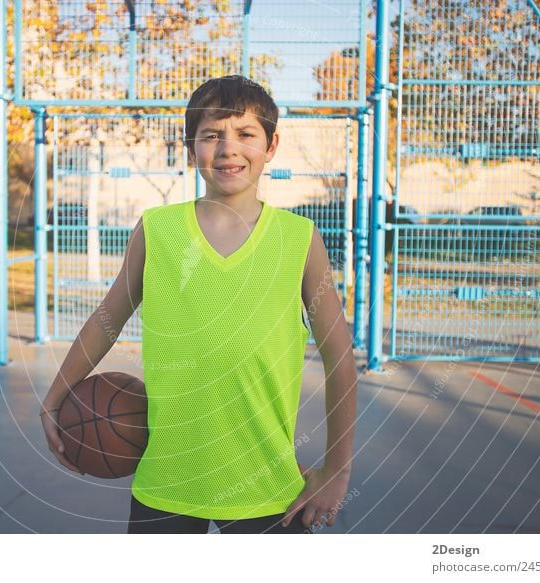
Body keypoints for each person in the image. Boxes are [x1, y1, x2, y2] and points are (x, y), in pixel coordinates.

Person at [40, 75, 358, 534]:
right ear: (191, 150)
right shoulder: (158, 230)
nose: (228, 148)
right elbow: (107, 320)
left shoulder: (299, 240)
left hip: (266, 485)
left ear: (271, 146)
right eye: (211, 135)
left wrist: (337, 470)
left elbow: (339, 358)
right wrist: (53, 398)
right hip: (167, 480)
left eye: (246, 134)